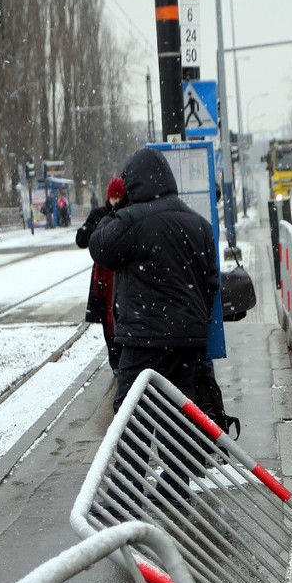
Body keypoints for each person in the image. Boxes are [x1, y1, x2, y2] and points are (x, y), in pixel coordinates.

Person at [88, 146, 219, 414]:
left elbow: (99, 247)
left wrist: (117, 210)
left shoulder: (131, 220)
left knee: (131, 416)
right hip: (187, 340)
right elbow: (212, 283)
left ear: (132, 184)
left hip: (144, 339)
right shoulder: (199, 224)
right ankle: (181, 457)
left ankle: (130, 457)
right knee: (180, 414)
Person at [76, 177, 126, 373]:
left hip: (121, 277)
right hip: (104, 281)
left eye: (119, 197)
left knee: (121, 317)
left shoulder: (127, 214)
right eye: (113, 197)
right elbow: (81, 239)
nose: (115, 201)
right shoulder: (99, 215)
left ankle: (122, 362)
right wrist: (92, 230)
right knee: (108, 321)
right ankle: (116, 363)